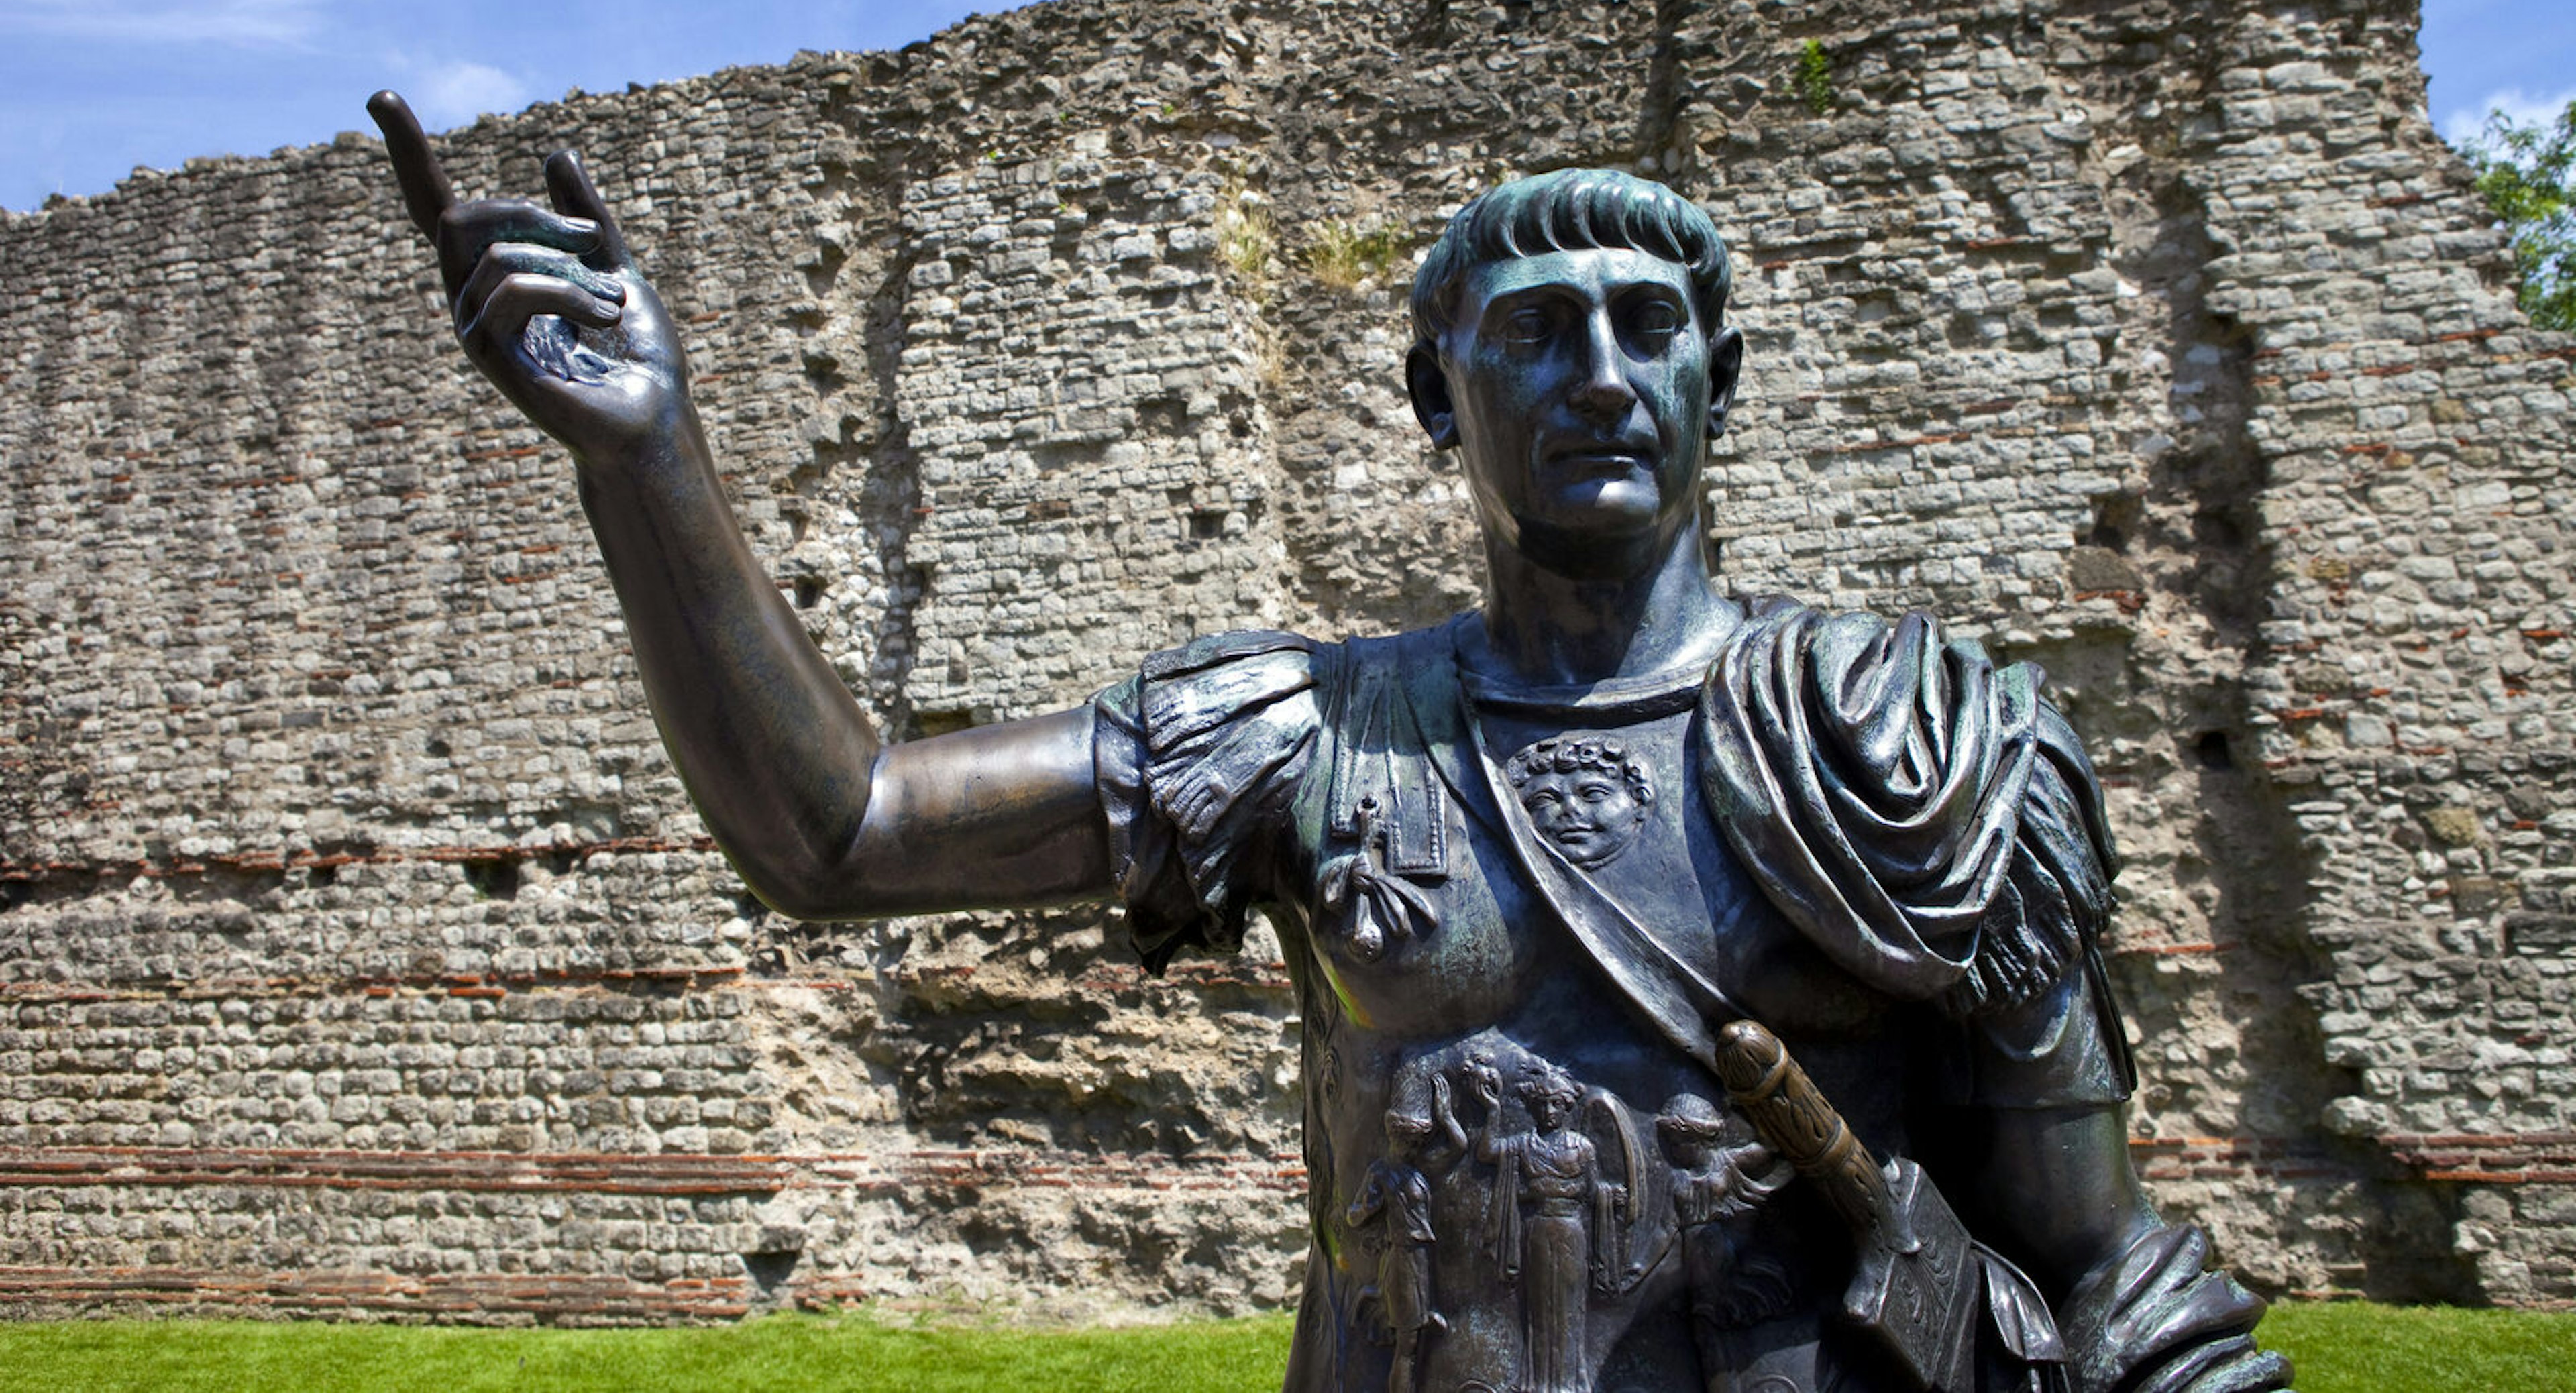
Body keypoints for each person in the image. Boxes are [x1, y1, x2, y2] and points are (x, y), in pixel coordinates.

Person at [370, 89, 2289, 1393]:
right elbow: (847, 828)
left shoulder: (1915, 739)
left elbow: (2102, 1270)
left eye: (1646, 325)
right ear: (1441, 400)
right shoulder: (1306, 734)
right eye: (1534, 332)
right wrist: (650, 461)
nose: (1600, 373)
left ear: (1724, 377)